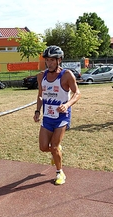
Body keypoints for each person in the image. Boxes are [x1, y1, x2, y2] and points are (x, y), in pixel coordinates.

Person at [33, 45, 81, 185]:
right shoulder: (41, 76)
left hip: (62, 117)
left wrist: (66, 105)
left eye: (52, 60)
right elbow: (40, 96)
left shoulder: (66, 75)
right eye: (47, 60)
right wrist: (37, 111)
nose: (49, 63)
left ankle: (60, 173)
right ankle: (57, 151)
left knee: (53, 146)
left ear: (59, 60)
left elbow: (77, 93)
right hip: (47, 117)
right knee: (43, 147)